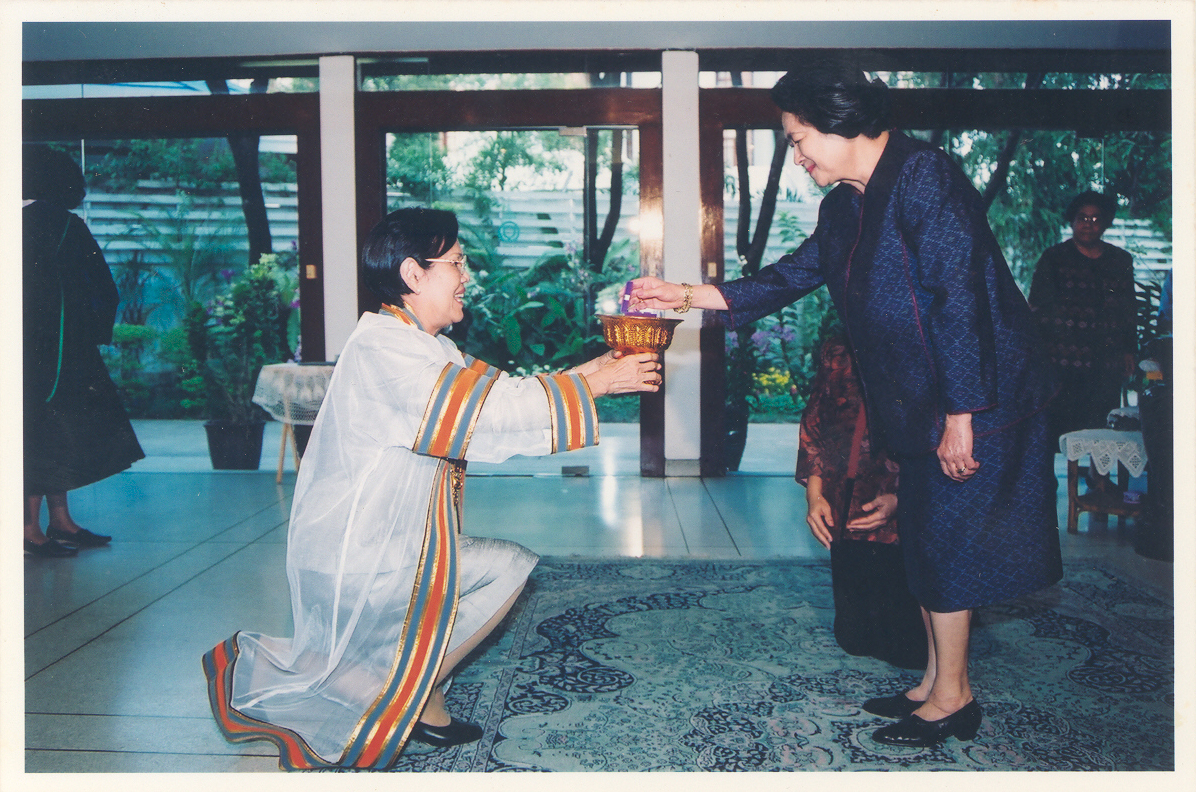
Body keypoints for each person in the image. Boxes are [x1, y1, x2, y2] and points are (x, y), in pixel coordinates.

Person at [630, 57, 1061, 748]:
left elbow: (959, 300)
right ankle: (932, 682)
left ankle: (954, 698)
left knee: (948, 549)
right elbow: (789, 278)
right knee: (923, 542)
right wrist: (683, 295)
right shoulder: (843, 207)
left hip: (977, 397)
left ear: (838, 123)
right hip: (922, 402)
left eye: (799, 139)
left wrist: (962, 417)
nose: (797, 156)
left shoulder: (924, 177)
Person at [203, 207, 661, 771]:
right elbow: (487, 413)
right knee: (508, 567)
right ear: (413, 274)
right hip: (361, 557)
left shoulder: (419, 344)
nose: (466, 276)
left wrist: (595, 371)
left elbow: (500, 393)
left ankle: (407, 686)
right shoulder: (386, 352)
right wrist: (597, 383)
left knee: (509, 564)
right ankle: (398, 692)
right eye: (457, 263)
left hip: (384, 546)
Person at [23, 144, 144, 558]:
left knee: (39, 432)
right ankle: (30, 528)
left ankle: (58, 522)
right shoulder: (63, 224)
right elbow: (101, 287)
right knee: (50, 434)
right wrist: (92, 334)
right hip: (60, 350)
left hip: (23, 349)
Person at [797, 330, 926, 671]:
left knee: (910, 650)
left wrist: (902, 499)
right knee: (854, 638)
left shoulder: (922, 347)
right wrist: (815, 494)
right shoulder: (839, 348)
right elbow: (814, 420)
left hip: (906, 506)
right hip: (847, 502)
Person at [1028, 190, 1138, 439]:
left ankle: (1097, 467)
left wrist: (1129, 350)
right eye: (1082, 218)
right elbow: (1037, 307)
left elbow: (1128, 309)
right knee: (1061, 430)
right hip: (1062, 362)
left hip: (1106, 362)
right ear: (1072, 221)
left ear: (1106, 223)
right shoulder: (1053, 258)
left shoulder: (1120, 260)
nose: (1088, 224)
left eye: (1095, 219)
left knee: (1102, 428)